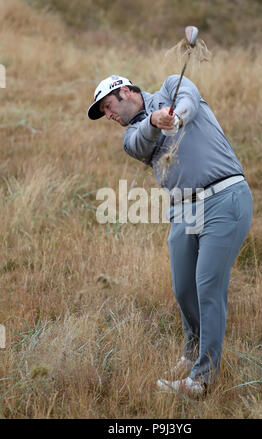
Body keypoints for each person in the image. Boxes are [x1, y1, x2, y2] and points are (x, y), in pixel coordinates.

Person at [87, 74, 253, 394]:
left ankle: (202, 379)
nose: (108, 115)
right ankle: (192, 351)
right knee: (183, 289)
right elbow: (141, 141)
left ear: (125, 92)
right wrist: (155, 119)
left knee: (207, 287)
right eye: (104, 113)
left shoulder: (170, 87)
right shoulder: (132, 134)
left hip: (225, 197)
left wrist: (176, 116)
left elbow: (189, 99)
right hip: (183, 211)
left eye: (108, 106)